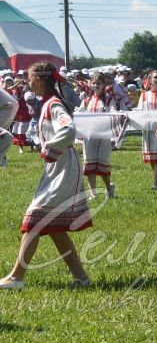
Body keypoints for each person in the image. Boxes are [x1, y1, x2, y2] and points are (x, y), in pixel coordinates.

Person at [0, 62, 91, 290]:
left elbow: (68, 129)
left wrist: (50, 148)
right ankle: (81, 278)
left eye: (30, 80)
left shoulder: (53, 104)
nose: (28, 84)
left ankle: (16, 277)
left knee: (34, 220)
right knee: (54, 226)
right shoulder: (48, 103)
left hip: (62, 166)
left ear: (39, 80)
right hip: (58, 167)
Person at [77, 71, 118, 199]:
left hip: (104, 136)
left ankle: (108, 187)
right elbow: (79, 114)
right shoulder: (86, 100)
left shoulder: (109, 100)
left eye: (98, 83)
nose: (95, 86)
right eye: (93, 83)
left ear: (103, 85)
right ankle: (92, 193)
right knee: (89, 163)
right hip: (89, 136)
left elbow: (113, 114)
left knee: (103, 163)